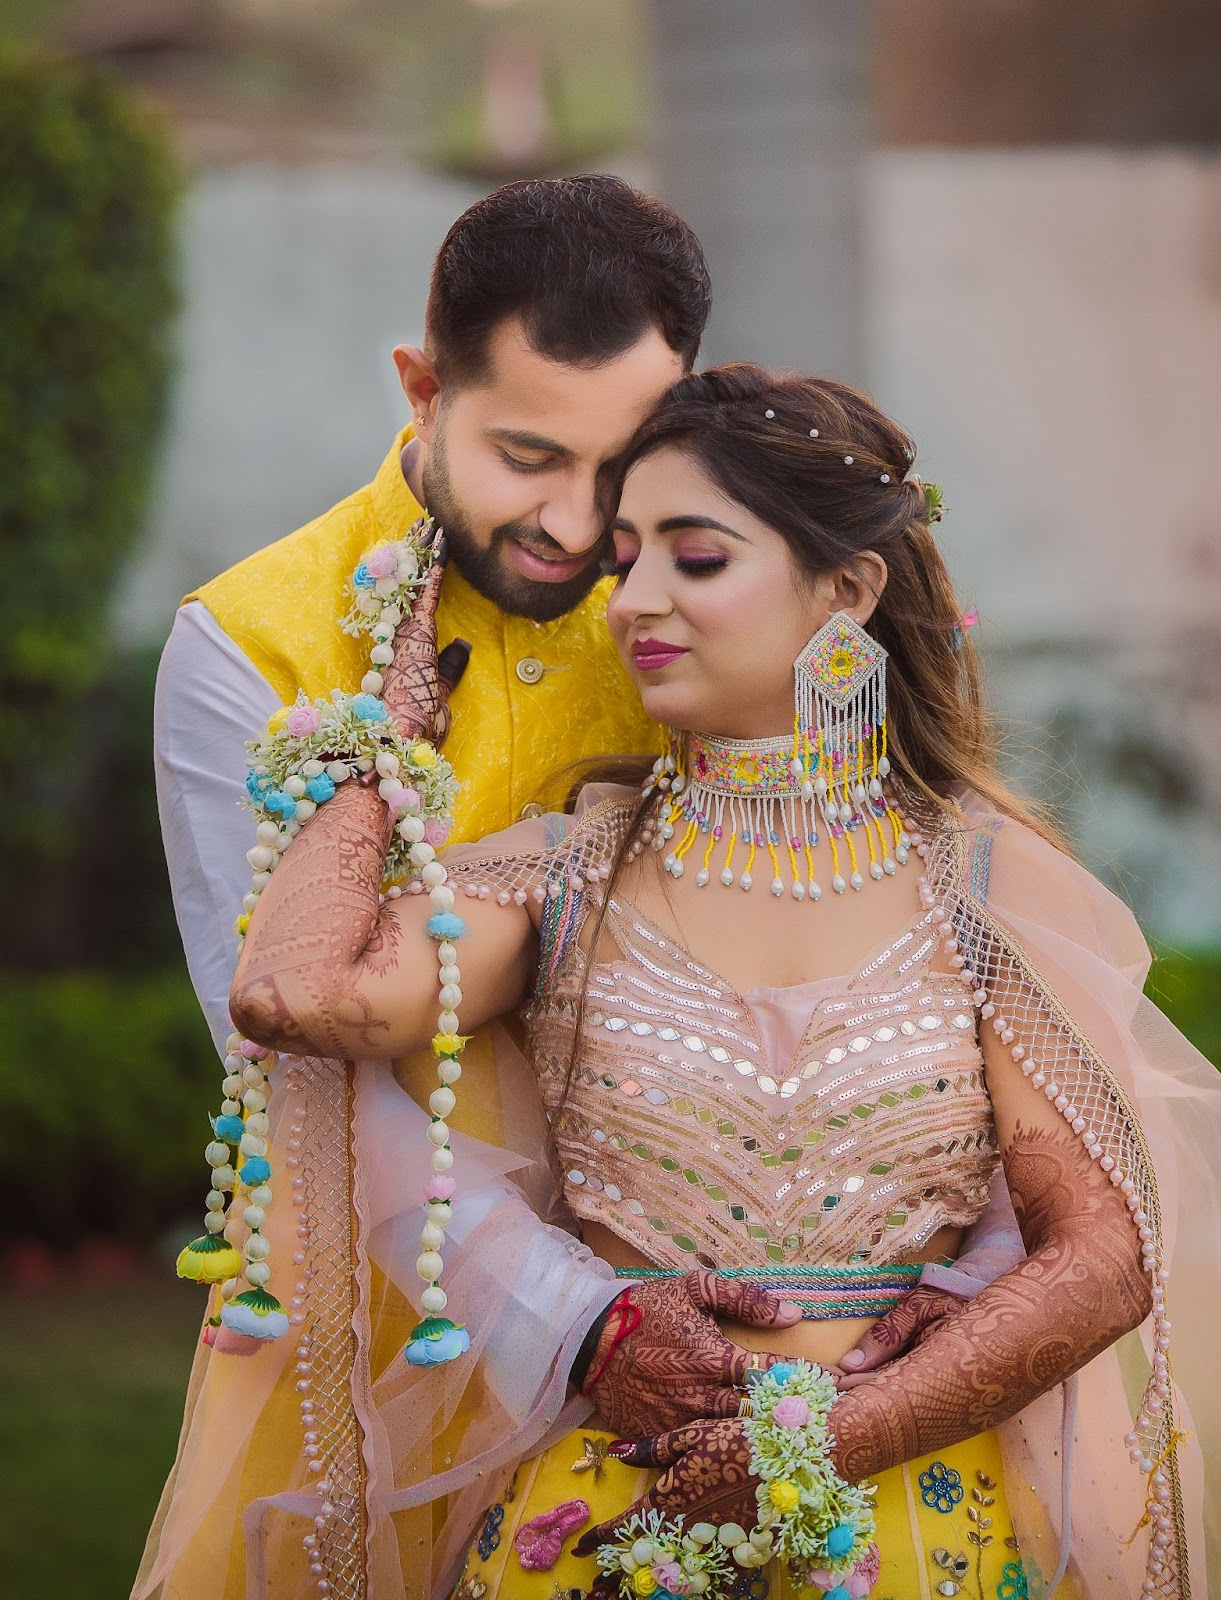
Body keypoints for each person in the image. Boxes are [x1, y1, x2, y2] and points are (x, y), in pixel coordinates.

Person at [221, 365, 1221, 1600]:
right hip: (611, 1529)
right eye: (623, 557)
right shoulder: (565, 873)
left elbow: (1099, 1255)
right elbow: (291, 992)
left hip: (914, 1534)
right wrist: (386, 735)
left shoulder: (982, 884)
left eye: (695, 556)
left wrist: (826, 1442)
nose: (635, 599)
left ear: (846, 589)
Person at [141, 180, 1017, 1599]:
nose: (573, 525)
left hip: (773, 1312)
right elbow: (289, 1056)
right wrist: (582, 1323)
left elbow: (904, 920)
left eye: (617, 467)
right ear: (422, 388)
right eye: (525, 453)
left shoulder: (672, 582)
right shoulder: (247, 644)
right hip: (396, 1317)